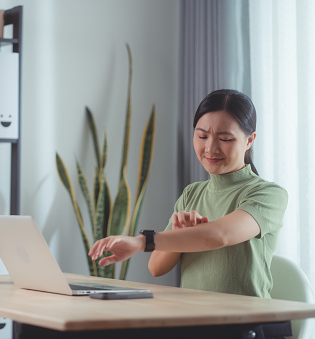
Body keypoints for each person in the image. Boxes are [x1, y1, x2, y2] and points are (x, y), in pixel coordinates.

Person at [89, 89, 288, 300]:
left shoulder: (268, 194)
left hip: (246, 324)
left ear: (249, 140)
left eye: (225, 139)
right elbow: (156, 267)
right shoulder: (192, 193)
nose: (210, 148)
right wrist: (178, 232)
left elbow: (220, 236)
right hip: (193, 318)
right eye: (202, 136)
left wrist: (140, 242)